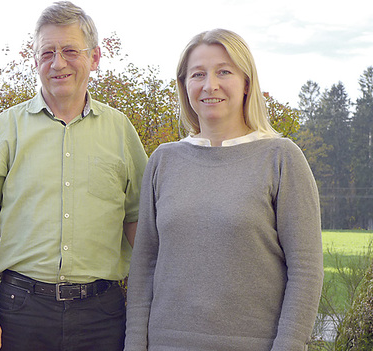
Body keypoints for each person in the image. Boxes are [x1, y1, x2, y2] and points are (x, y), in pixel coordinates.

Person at [0, 2, 148, 350]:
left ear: (94, 57)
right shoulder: (4, 129)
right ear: (34, 60)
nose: (58, 63)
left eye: (70, 51)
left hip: (103, 313)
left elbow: (139, 222)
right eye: (47, 52)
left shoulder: (121, 130)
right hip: (21, 310)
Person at [124, 28, 324, 351]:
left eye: (223, 72)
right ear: (184, 85)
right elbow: (144, 265)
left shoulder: (281, 159)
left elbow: (306, 270)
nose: (210, 85)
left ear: (246, 83)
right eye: (198, 74)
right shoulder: (163, 161)